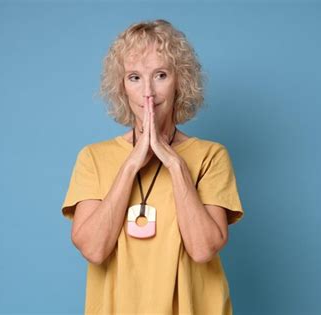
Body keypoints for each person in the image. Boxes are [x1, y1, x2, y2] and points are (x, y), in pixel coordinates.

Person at [61, 19, 245, 315]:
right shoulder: (93, 158)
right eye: (134, 77)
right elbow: (94, 250)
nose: (148, 91)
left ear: (180, 81)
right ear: (122, 87)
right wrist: (131, 165)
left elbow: (203, 249)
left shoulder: (211, 156)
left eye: (160, 75)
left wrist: (174, 163)